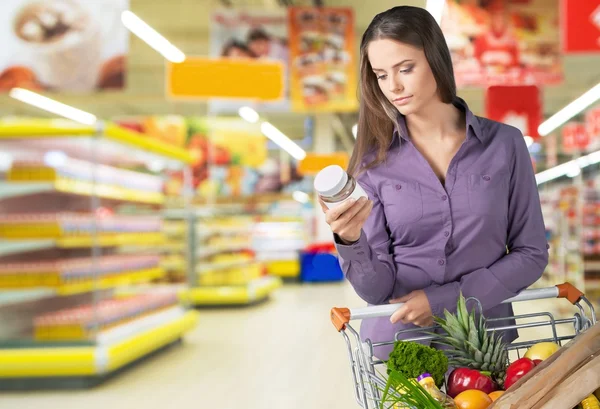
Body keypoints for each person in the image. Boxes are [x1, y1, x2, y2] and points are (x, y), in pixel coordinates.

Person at [319, 6, 548, 359]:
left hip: (483, 344)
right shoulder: (373, 163)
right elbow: (375, 290)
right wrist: (350, 240)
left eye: (405, 69)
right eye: (380, 75)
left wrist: (444, 300)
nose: (393, 86)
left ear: (436, 59)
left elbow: (531, 253)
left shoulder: (504, 144)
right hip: (401, 348)